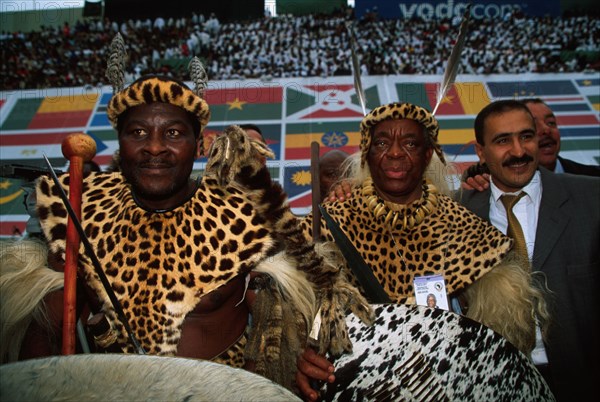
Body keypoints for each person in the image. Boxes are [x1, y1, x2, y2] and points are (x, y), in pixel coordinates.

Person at [7, 36, 371, 396]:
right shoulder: (86, 211)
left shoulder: (242, 217)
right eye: (137, 133)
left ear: (198, 145)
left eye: (173, 133)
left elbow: (290, 309)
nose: (154, 147)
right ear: (120, 141)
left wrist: (299, 351)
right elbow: (51, 326)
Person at [297, 102, 548, 401]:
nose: (394, 152)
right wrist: (297, 349)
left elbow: (505, 332)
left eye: (410, 143)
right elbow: (285, 307)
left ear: (427, 154)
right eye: (381, 143)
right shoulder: (331, 222)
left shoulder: (462, 224)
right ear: (367, 154)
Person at [460, 99, 600, 402]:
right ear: (481, 152)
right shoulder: (457, 211)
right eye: (502, 141)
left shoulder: (592, 197)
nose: (519, 151)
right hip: (494, 384)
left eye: (526, 136)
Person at [463, 98, 600, 190]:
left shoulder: (593, 181)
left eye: (551, 123)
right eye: (535, 125)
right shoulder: (484, 184)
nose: (546, 130)